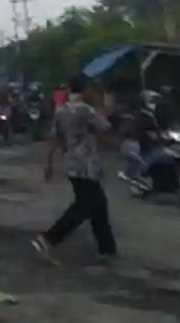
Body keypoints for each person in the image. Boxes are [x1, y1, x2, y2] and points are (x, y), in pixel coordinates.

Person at [33, 74, 117, 263]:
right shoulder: (86, 110)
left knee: (98, 204)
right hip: (86, 164)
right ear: (85, 89)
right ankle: (49, 238)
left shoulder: (62, 110)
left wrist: (49, 163)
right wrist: (101, 106)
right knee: (86, 205)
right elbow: (106, 128)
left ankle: (107, 249)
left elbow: (55, 138)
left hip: (72, 162)